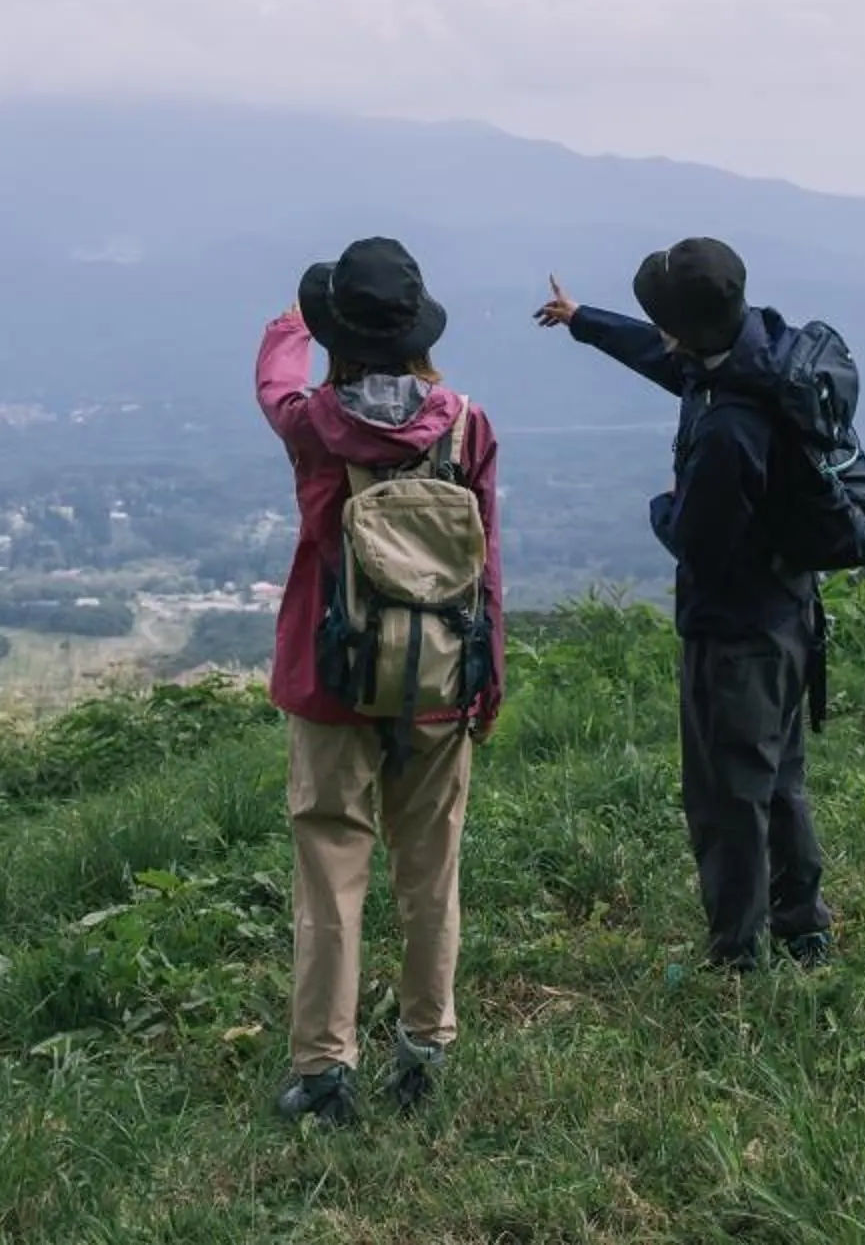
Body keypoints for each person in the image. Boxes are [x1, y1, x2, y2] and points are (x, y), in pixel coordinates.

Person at [257, 236, 505, 1128]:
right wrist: (488, 681)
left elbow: (275, 386)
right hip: (441, 675)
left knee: (331, 870)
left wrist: (292, 321)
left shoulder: (314, 424)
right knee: (430, 870)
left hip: (331, 677)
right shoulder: (468, 423)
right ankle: (426, 1050)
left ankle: (325, 1072)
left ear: (340, 335)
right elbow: (488, 567)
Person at [536, 239, 833, 974]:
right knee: (780, 782)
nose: (658, 330)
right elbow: (663, 359)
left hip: (734, 636)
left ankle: (737, 956)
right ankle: (804, 929)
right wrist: (584, 320)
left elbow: (697, 540)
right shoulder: (756, 358)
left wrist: (661, 508)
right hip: (790, 612)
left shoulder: (730, 425)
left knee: (728, 797)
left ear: (687, 328)